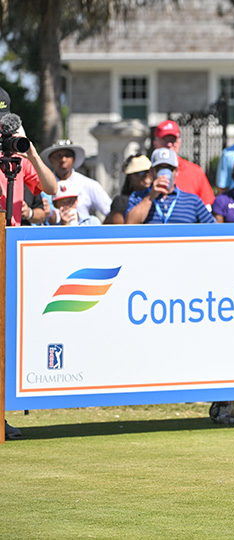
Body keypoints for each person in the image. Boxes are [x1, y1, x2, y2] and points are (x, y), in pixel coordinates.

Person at [0, 86, 57, 440]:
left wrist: (29, 148)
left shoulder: (18, 156)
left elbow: (50, 187)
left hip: (14, 254)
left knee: (6, 342)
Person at [126, 148, 215, 224]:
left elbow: (214, 230)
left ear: (176, 172)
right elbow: (129, 224)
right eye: (159, 168)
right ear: (151, 171)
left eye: (169, 168)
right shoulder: (137, 197)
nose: (164, 173)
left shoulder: (193, 201)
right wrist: (151, 196)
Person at [41, 139, 111, 223]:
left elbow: (110, 211)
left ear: (74, 158)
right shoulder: (41, 184)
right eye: (58, 156)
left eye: (67, 155)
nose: (63, 159)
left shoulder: (89, 184)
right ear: (51, 160)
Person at [152, 120, 215, 208]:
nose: (169, 144)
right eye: (165, 140)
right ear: (155, 143)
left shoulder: (195, 171)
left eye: (173, 140)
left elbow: (207, 205)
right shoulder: (147, 171)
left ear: (179, 142)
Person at [105, 154, 152, 224]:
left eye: (149, 171)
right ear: (130, 177)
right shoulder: (121, 202)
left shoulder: (158, 199)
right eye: (141, 172)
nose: (146, 175)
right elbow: (120, 231)